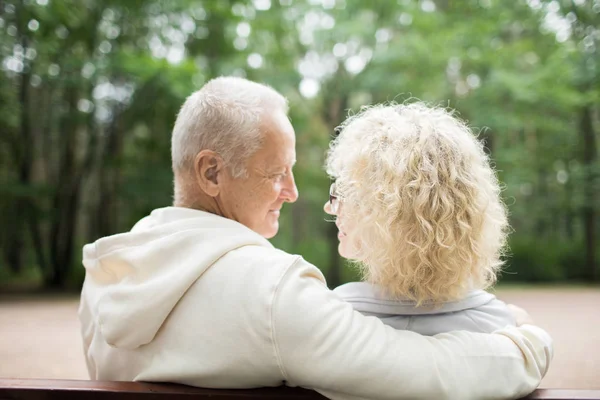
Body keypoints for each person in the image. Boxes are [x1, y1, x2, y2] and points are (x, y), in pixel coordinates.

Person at [79, 77, 552, 400]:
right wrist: (529, 343)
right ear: (211, 172)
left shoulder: (107, 276)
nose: (293, 191)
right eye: (276, 173)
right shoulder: (272, 292)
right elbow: (428, 371)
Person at [325, 102, 518, 335]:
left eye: (345, 193)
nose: (330, 207)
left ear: (386, 214)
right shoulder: (503, 327)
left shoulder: (329, 321)